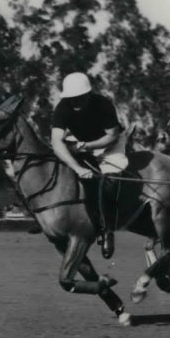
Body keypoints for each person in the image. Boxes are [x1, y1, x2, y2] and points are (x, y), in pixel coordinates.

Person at [49, 72, 128, 258]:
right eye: (71, 99)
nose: (75, 103)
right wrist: (78, 168)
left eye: (80, 98)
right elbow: (56, 143)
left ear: (88, 95)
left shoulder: (103, 104)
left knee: (109, 180)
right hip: (82, 143)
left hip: (110, 144)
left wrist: (87, 146)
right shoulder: (62, 108)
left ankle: (107, 230)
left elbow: (112, 135)